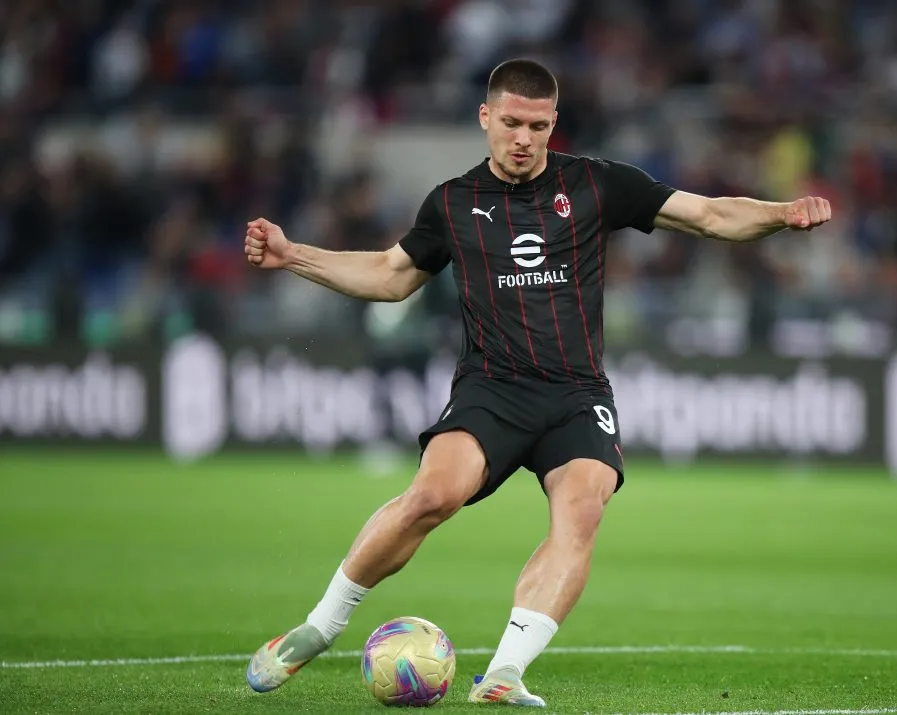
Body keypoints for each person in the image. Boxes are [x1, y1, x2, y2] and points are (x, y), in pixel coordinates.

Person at [242, 58, 831, 707]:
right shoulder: (453, 202)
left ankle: (504, 672)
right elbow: (389, 275)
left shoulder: (597, 183)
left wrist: (783, 211)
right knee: (432, 496)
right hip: (492, 388)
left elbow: (712, 215)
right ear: (485, 117)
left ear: (554, 124)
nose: (524, 138)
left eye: (538, 126)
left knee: (582, 510)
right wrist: (293, 255)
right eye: (512, 123)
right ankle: (319, 626)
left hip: (577, 394)